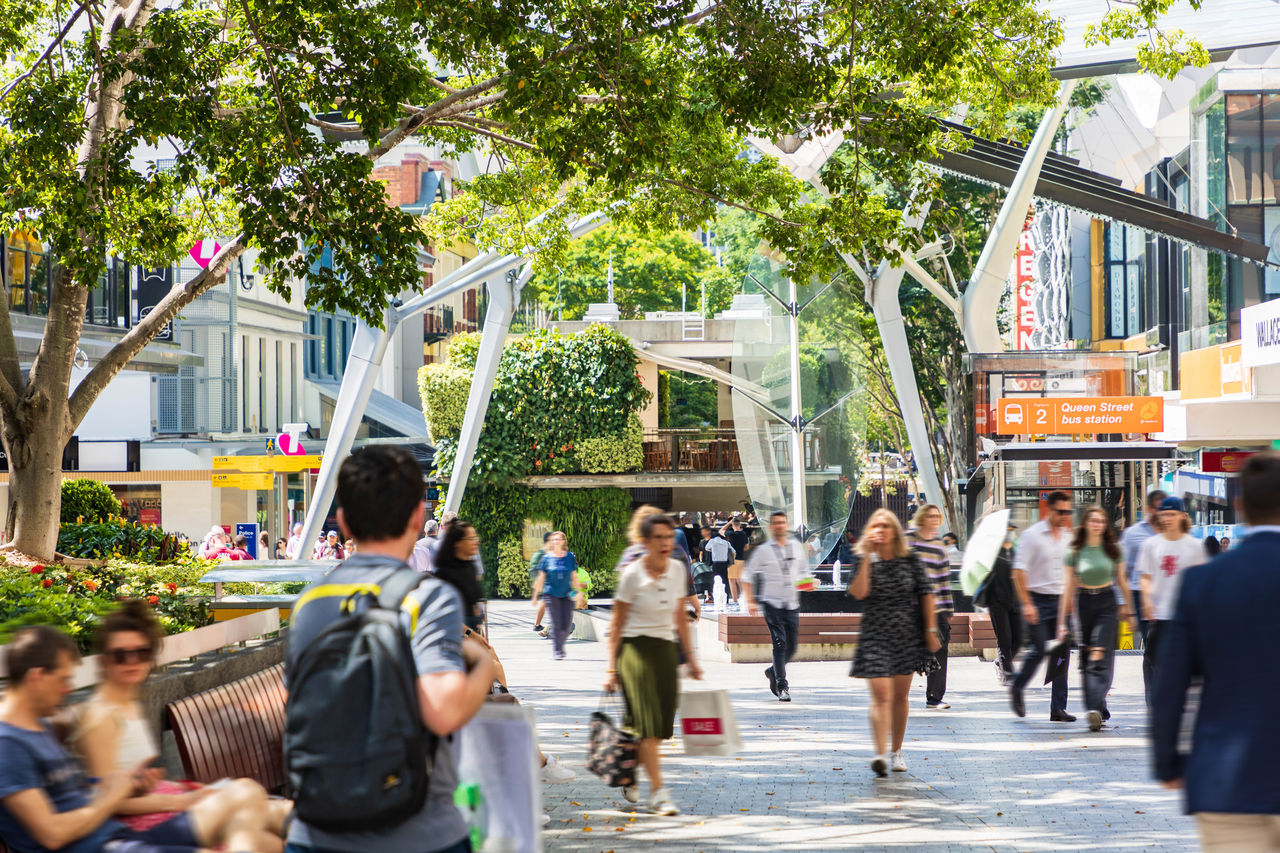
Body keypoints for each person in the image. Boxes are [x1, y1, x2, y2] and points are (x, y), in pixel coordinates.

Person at [285, 445, 495, 853]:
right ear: (419, 517)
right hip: (419, 833)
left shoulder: (309, 602)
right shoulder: (428, 597)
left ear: (343, 522)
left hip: (314, 831)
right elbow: (444, 710)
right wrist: (484, 665)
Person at [0, 626, 276, 853]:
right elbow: (52, 835)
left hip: (116, 837)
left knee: (248, 796)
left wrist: (130, 786)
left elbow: (71, 796)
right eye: (63, 680)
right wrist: (111, 797)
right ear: (36, 677)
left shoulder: (39, 726)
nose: (67, 690)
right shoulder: (9, 744)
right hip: (103, 846)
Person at [67, 602, 291, 844]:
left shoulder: (128, 702)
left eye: (141, 653)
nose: (132, 661)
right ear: (105, 661)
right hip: (136, 830)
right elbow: (110, 801)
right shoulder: (101, 717)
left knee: (281, 823)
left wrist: (178, 789)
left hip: (162, 807)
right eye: (121, 655)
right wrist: (181, 800)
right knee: (248, 794)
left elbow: (130, 782)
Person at [1153, 451, 1280, 850]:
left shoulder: (1202, 584)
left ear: (1239, 504)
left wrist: (1167, 761)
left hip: (1226, 782)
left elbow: (1169, 684)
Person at [604, 515, 703, 815]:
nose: (665, 543)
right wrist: (611, 669)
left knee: (657, 727)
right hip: (635, 652)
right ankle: (659, 793)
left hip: (664, 652)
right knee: (647, 727)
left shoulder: (675, 569)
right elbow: (617, 624)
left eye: (668, 537)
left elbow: (678, 616)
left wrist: (691, 659)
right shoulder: (632, 574)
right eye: (658, 538)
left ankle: (628, 768)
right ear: (645, 542)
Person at [847, 508, 941, 777]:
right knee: (880, 695)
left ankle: (896, 750)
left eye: (886, 526)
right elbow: (859, 592)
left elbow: (926, 594)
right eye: (876, 526)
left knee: (899, 696)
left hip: (905, 633)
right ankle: (879, 754)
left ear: (895, 531)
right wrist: (867, 556)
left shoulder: (910, 560)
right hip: (874, 634)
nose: (881, 530)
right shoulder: (864, 559)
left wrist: (930, 629)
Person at [1059, 505, 1134, 732]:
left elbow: (1122, 581)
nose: (1097, 524)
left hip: (1107, 603)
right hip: (1083, 603)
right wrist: (1061, 623)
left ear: (1105, 525)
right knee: (1087, 656)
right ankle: (1098, 708)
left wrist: (1130, 610)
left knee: (1100, 652)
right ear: (1085, 523)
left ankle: (1093, 707)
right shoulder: (1074, 550)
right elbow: (1067, 588)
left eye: (1101, 521)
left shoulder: (1114, 550)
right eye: (1093, 520)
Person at [1009, 490, 1076, 722]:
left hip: (1060, 602)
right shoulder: (1032, 536)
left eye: (1068, 512)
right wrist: (1027, 604)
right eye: (1061, 511)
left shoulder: (1069, 537)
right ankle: (1018, 687)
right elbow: (1018, 572)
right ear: (1049, 510)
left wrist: (1070, 602)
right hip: (1036, 600)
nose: (1065, 516)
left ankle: (1058, 707)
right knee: (1038, 650)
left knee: (1060, 657)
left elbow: (1070, 574)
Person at [1136, 496, 1203, 711]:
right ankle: (1158, 703)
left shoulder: (1194, 546)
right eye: (1164, 514)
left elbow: (1201, 580)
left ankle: (1175, 702)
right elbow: (1145, 577)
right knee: (1156, 663)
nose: (1167, 519)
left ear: (1182, 516)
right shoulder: (1151, 545)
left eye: (1172, 514)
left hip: (1183, 618)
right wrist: (1146, 600)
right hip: (1159, 617)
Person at [742, 511, 806, 703]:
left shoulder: (795, 547)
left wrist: (807, 583)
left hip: (791, 604)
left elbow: (803, 573)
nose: (779, 526)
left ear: (786, 526)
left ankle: (772, 671)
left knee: (792, 647)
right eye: (776, 523)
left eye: (783, 523)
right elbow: (746, 576)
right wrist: (750, 601)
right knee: (780, 644)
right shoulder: (764, 550)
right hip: (771, 603)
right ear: (771, 527)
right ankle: (782, 686)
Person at [906, 504, 952, 710]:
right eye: (930, 515)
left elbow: (943, 579)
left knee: (940, 648)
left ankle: (934, 696)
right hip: (912, 607)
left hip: (936, 607)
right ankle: (899, 696)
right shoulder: (908, 540)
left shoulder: (938, 545)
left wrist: (948, 608)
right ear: (922, 517)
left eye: (937, 516)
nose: (934, 519)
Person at [1119, 490, 1166, 645]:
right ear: (1149, 509)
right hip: (1139, 595)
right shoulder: (1132, 534)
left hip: (1165, 594)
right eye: (1158, 509)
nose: (1162, 514)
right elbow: (1121, 570)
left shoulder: (1172, 533)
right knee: (1150, 643)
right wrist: (1123, 603)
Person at [532, 532, 582, 660]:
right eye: (553, 540)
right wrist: (535, 597)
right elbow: (541, 578)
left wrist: (578, 592)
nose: (556, 541)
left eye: (559, 539)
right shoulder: (547, 558)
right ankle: (558, 649)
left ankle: (560, 644)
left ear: (563, 541)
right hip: (551, 594)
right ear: (551, 542)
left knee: (567, 623)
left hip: (566, 594)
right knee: (557, 621)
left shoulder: (569, 557)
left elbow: (574, 576)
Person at [431, 521, 486, 633]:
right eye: (470, 539)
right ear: (458, 543)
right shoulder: (445, 574)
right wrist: (471, 635)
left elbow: (474, 603)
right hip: (455, 634)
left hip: (471, 632)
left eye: (475, 538)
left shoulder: (470, 566)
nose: (476, 542)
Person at [986, 527, 1022, 687]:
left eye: (1012, 530)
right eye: (1007, 530)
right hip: (997, 603)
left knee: (1019, 640)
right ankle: (1008, 674)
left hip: (1015, 601)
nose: (1010, 532)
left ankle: (999, 663)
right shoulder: (991, 552)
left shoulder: (1016, 551)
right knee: (1005, 640)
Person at [703, 528, 736, 608]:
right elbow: (733, 551)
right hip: (724, 564)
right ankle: (726, 599)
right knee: (725, 581)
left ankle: (716, 598)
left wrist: (713, 550)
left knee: (716, 581)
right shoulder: (726, 542)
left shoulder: (712, 541)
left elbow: (706, 548)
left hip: (716, 564)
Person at [528, 532, 552, 638]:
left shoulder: (544, 553)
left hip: (544, 581)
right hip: (544, 580)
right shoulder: (543, 554)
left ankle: (537, 625)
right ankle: (544, 626)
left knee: (545, 600)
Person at [723, 517, 752, 604]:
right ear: (739, 524)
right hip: (741, 559)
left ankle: (735, 600)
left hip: (732, 559)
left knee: (732, 580)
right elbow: (747, 547)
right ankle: (744, 598)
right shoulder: (744, 534)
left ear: (732, 525)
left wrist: (729, 523)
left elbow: (721, 530)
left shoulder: (730, 534)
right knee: (740, 580)